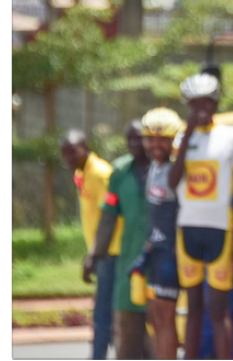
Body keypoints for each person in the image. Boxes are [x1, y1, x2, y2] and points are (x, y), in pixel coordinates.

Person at [169, 73, 233, 360]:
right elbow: (172, 181)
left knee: (218, 310)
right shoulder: (181, 137)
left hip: (220, 229)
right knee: (193, 309)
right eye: (194, 104)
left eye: (205, 103)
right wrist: (187, 137)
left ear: (215, 103)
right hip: (188, 228)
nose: (200, 109)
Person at [88, 120, 153, 359]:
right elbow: (108, 217)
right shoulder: (120, 172)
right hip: (129, 259)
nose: (135, 144)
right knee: (127, 326)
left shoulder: (164, 169)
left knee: (157, 329)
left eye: (140, 138)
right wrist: (95, 254)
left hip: (158, 260)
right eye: (130, 139)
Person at [60, 129, 122, 360]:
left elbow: (110, 215)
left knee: (103, 313)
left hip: (110, 252)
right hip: (101, 251)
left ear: (86, 148)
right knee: (108, 312)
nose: (68, 158)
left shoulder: (99, 173)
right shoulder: (82, 172)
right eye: (64, 153)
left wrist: (94, 254)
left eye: (73, 152)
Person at [134, 108, 184, 359]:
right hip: (157, 251)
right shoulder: (154, 166)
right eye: (150, 139)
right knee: (155, 317)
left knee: (165, 317)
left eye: (163, 139)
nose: (156, 145)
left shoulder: (177, 169)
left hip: (172, 254)